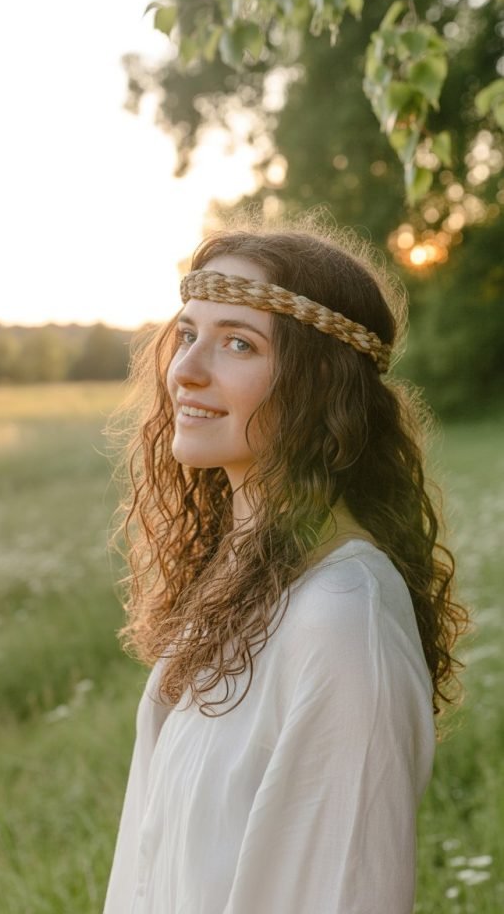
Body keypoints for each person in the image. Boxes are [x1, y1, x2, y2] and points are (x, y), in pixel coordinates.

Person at [103, 225, 467, 914]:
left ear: (320, 382)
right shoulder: (244, 575)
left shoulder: (340, 622)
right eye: (187, 334)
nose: (186, 370)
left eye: (239, 343)